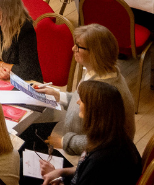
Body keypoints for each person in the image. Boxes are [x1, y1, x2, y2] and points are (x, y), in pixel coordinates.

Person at [35, 24, 136, 161]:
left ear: (95, 53)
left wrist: (64, 142)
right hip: (79, 147)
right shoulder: (97, 72)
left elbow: (103, 142)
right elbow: (83, 100)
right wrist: (58, 95)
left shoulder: (103, 93)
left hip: (91, 159)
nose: (73, 49)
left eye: (78, 46)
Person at [38, 81, 142, 185]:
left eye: (82, 100)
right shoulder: (116, 138)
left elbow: (90, 171)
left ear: (94, 111)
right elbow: (83, 168)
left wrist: (57, 182)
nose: (78, 102)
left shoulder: (100, 161)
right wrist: (60, 172)